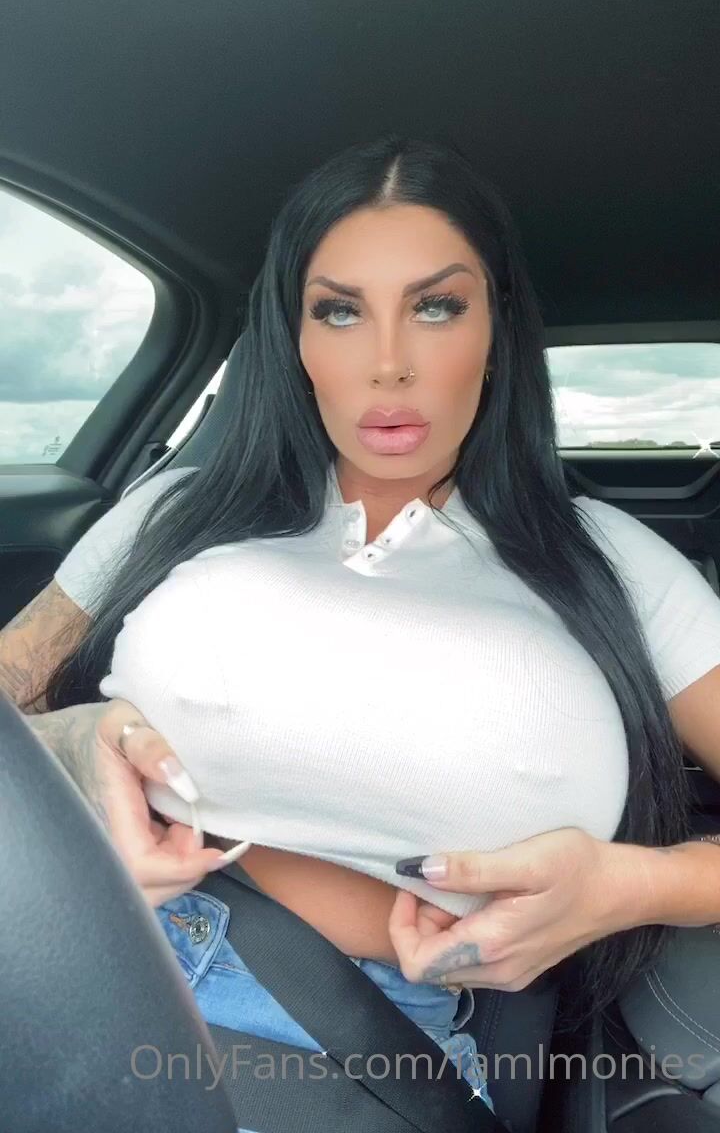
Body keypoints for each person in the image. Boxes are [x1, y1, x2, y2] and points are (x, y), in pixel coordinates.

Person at [5, 135, 720, 1124]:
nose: (388, 364)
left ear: (498, 332)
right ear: (294, 340)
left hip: (341, 1042)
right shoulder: (171, 510)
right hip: (56, 939)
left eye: (437, 306)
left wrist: (632, 885)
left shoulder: (614, 560)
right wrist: (71, 741)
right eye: (339, 311)